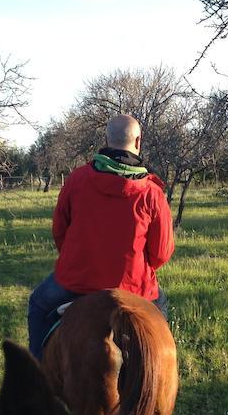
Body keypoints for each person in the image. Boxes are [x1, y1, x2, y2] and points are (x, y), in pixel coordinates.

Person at [27, 114, 174, 358]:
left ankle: (36, 374)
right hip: (136, 289)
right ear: (138, 142)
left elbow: (59, 231)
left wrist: (75, 259)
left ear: (106, 139)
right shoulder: (153, 193)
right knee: (160, 326)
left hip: (76, 282)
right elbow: (161, 254)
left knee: (38, 304)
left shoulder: (76, 179)